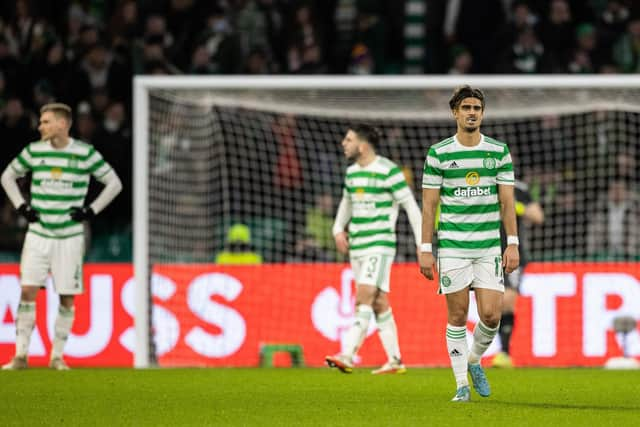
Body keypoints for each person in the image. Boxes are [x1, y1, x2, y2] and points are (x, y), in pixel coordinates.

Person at [1, 103, 122, 370]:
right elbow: (7, 176)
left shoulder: (84, 153)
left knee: (67, 296)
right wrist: (22, 206)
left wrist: (91, 210)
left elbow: (114, 183)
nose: (40, 126)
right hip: (38, 233)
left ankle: (57, 356)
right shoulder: (34, 151)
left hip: (69, 236)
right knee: (28, 290)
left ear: (61, 124)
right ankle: (20, 355)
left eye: (45, 122)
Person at [420, 86, 519, 401]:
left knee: (491, 316)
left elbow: (507, 201)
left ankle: (474, 360)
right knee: (458, 316)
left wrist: (512, 243)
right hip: (453, 248)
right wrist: (425, 249)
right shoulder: (439, 153)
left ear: (483, 113)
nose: (472, 112)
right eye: (466, 108)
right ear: (455, 112)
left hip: (489, 246)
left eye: (477, 107)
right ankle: (461, 385)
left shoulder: (498, 152)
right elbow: (429, 206)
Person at [325, 124, 422, 375]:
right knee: (378, 302)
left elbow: (411, 207)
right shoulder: (352, 173)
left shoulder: (388, 171)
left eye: (348, 139)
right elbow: (346, 203)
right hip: (357, 245)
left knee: (365, 295)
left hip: (380, 244)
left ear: (363, 145)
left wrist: (423, 245)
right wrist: (337, 228)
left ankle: (348, 353)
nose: (343, 144)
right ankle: (395, 360)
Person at [492, 180, 544, 368]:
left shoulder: (520, 189)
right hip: (485, 252)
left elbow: (538, 216)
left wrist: (516, 207)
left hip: (512, 254)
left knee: (508, 299)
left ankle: (504, 353)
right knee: (491, 305)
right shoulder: (482, 184)